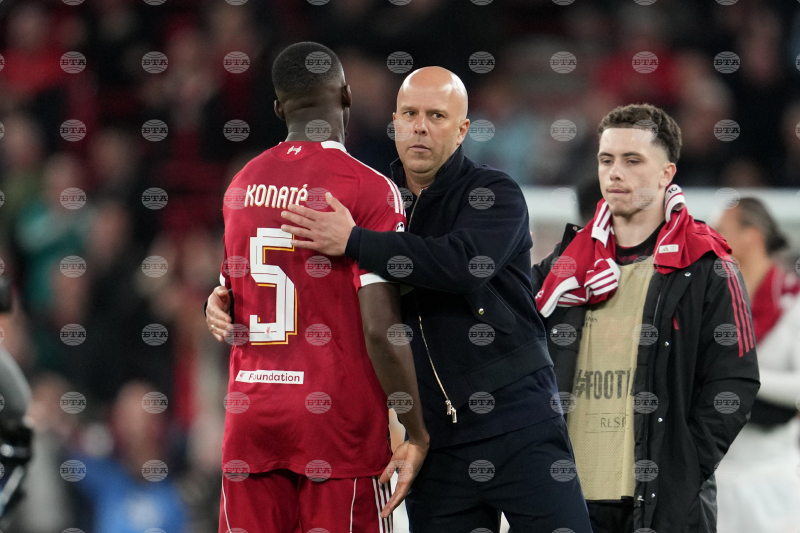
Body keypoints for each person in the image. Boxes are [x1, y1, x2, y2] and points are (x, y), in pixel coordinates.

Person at [272, 66, 591, 532]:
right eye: (410, 114)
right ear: (395, 123)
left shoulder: (494, 193)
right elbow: (310, 285)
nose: (420, 127)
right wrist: (226, 298)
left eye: (437, 116)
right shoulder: (374, 200)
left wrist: (357, 241)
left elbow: (462, 264)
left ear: (462, 130)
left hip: (519, 423)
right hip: (434, 443)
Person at [205, 42, 428, 533]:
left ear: (278, 109)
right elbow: (381, 328)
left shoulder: (240, 185)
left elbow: (228, 295)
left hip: (252, 420)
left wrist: (212, 303)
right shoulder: (369, 189)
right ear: (346, 95)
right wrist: (416, 429)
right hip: (338, 429)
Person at [531, 103, 760, 533]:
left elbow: (735, 381)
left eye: (632, 160)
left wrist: (684, 469)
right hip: (567, 500)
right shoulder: (562, 269)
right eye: (606, 160)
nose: (615, 173)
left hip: (659, 506)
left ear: (666, 174)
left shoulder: (708, 265)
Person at [713, 198, 800, 533]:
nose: (712, 238)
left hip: (774, 473)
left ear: (752, 236)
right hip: (718, 475)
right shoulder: (710, 302)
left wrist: (739, 376)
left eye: (722, 230)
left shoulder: (793, 303)